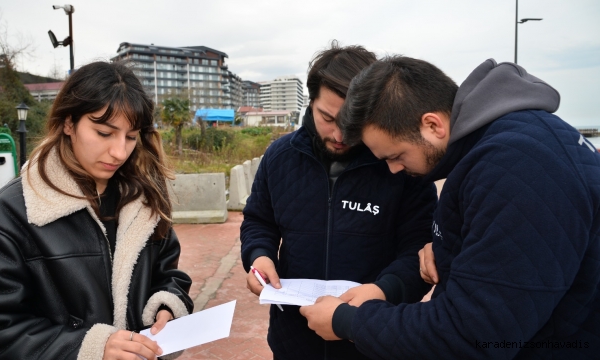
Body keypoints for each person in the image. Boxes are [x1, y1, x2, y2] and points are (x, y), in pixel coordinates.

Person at [300, 56, 600, 358]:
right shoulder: (506, 145)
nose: (393, 169)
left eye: (396, 155)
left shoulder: (517, 166)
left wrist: (348, 322)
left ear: (432, 124)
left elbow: (471, 337)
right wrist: (453, 249)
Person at [0, 61, 194, 359]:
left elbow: (167, 272)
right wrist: (88, 349)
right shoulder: (10, 215)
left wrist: (165, 304)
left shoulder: (145, 200)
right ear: (69, 123)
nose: (119, 151)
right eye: (104, 133)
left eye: (131, 137)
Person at [240, 43, 437, 359]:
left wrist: (384, 290)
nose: (340, 134)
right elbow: (258, 220)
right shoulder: (279, 157)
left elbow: (421, 247)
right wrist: (259, 256)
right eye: (327, 117)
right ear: (311, 101)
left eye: (352, 121)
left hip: (373, 338)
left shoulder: (401, 165)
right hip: (293, 338)